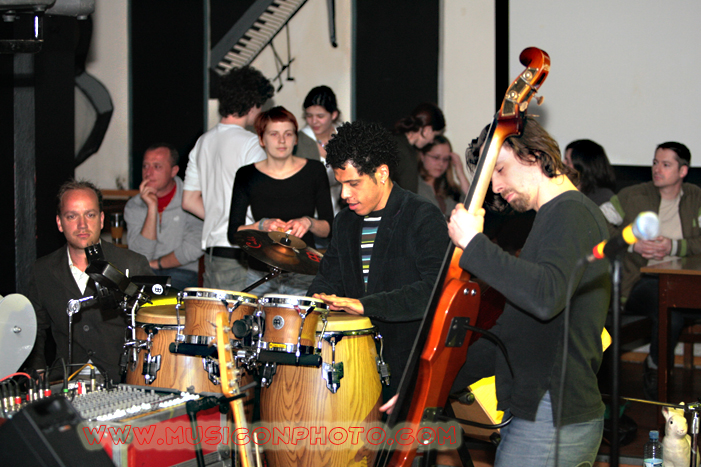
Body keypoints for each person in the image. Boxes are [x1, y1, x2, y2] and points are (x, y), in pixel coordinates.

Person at [447, 118, 610, 466]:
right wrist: (436, 382)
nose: (495, 186)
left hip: (551, 417)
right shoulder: (554, 217)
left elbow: (544, 297)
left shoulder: (571, 213)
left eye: (500, 169)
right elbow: (512, 333)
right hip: (543, 414)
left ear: (533, 155)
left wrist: (474, 244)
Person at [307, 120, 449, 400]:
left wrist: (365, 305)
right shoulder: (345, 221)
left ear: (382, 173)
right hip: (354, 358)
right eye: (341, 184)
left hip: (408, 359)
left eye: (353, 183)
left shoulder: (421, 215)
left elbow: (435, 290)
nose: (345, 194)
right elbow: (327, 279)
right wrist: (314, 302)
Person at [600, 142, 701, 400]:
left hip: (684, 280)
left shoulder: (696, 197)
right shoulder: (633, 195)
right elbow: (597, 221)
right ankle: (657, 371)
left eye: (665, 164)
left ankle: (656, 368)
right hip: (639, 280)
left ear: (683, 171)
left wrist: (674, 246)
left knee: (674, 310)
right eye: (655, 162)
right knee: (670, 307)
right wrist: (631, 244)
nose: (657, 169)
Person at [24, 180, 153, 382]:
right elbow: (34, 329)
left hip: (122, 380)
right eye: (72, 216)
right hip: (65, 379)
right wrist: (37, 370)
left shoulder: (132, 264)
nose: (82, 225)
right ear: (59, 223)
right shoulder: (42, 271)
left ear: (101, 220)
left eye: (90, 215)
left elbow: (155, 326)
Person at [182, 66, 274, 291]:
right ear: (252, 104)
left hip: (213, 253)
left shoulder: (203, 141)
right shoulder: (252, 144)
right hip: (242, 251)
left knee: (217, 313)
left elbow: (189, 201)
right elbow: (264, 201)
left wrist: (222, 217)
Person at [227, 106, 333, 295]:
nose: (282, 140)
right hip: (260, 273)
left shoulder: (315, 171)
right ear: (262, 139)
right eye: (274, 134)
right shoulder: (246, 175)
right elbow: (233, 233)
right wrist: (262, 225)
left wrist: (308, 222)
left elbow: (328, 228)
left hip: (304, 273)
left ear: (296, 139)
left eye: (288, 134)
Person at [124, 143, 203, 290]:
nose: (148, 173)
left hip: (183, 271)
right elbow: (140, 255)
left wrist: (157, 264)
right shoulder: (134, 205)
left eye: (157, 166)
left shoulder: (191, 201)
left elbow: (193, 248)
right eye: (145, 166)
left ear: (174, 171)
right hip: (145, 272)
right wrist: (152, 208)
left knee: (162, 296)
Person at [295, 85, 344, 217]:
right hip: (308, 215)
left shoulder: (344, 137)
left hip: (340, 212)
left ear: (334, 115)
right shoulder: (299, 141)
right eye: (309, 116)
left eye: (320, 116)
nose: (314, 121)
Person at [392, 102, 445, 194]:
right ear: (427, 130)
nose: (431, 141)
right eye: (434, 135)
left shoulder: (393, 140)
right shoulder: (407, 154)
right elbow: (409, 195)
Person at [417, 135, 470, 217]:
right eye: (436, 157)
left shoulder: (449, 188)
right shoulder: (413, 185)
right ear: (422, 156)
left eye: (445, 159)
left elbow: (471, 204)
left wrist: (460, 171)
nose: (441, 164)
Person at [564, 139, 617, 206]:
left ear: (582, 166)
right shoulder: (568, 193)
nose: (563, 164)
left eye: (568, 161)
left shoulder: (603, 198)